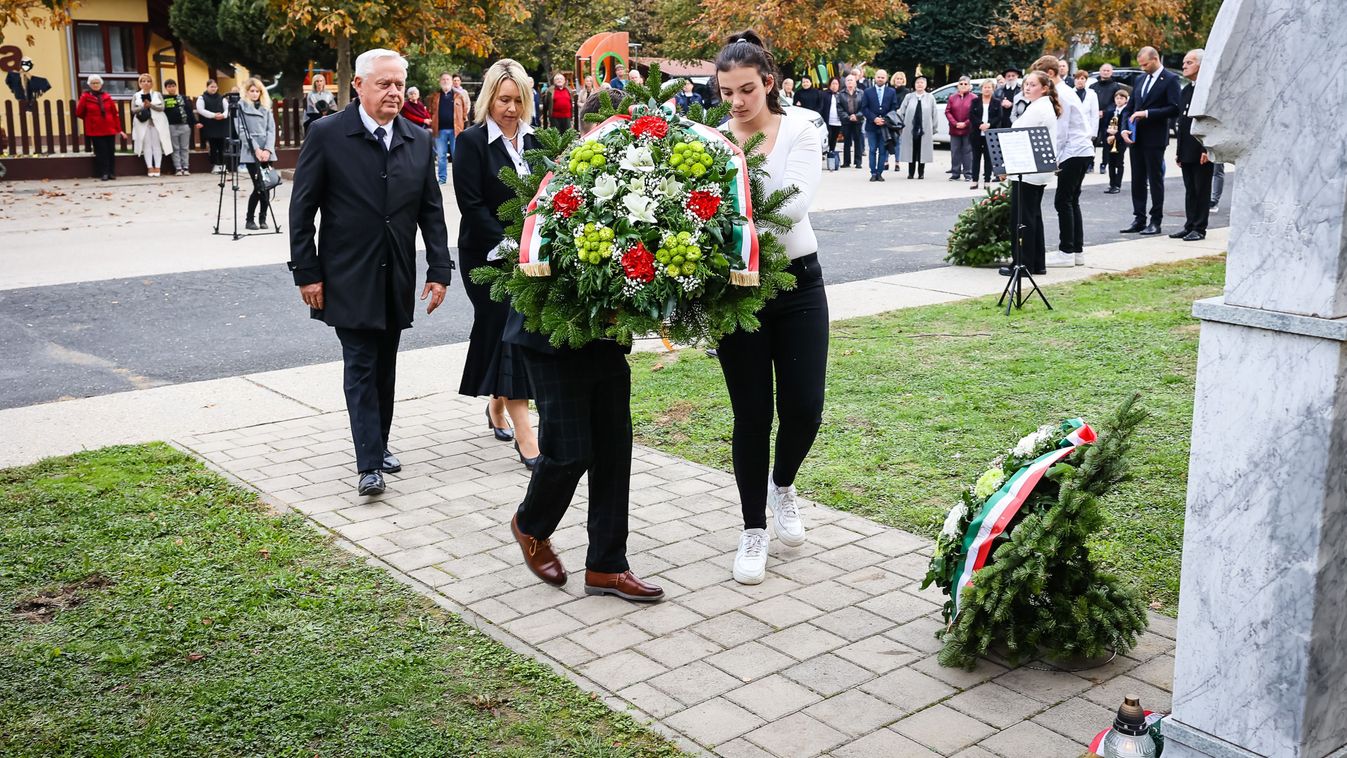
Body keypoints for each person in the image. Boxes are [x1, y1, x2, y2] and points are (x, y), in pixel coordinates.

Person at [502, 88, 664, 604]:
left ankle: (607, 567)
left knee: (614, 451)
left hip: (604, 338)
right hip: (551, 335)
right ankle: (531, 523)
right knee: (569, 451)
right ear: (592, 135)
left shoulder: (642, 186)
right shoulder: (558, 183)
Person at [288, 48, 453, 497]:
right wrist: (307, 273)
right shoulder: (326, 135)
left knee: (385, 365)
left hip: (396, 274)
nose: (394, 91)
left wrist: (439, 269)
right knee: (361, 363)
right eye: (384, 83)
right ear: (358, 86)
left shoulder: (417, 139)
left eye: (399, 83)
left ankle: (378, 445)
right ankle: (368, 466)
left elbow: (431, 214)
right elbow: (301, 211)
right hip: (346, 275)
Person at [714, 31, 826, 586]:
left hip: (800, 285)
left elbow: (795, 201)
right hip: (737, 290)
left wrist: (725, 216)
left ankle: (783, 485)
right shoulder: (711, 141)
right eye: (727, 90)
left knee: (805, 408)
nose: (736, 102)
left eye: (747, 90)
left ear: (769, 84)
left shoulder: (801, 128)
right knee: (752, 415)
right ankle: (752, 527)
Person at [452, 59, 541, 469]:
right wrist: (507, 242)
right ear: (489, 97)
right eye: (504, 99)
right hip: (485, 253)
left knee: (507, 330)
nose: (510, 108)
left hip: (529, 254)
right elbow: (470, 204)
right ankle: (527, 436)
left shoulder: (536, 139)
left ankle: (497, 404)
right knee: (506, 324)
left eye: (518, 100)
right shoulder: (471, 142)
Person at [997, 71, 1059, 278]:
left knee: (1022, 218)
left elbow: (1019, 135)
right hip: (1035, 170)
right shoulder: (1040, 105)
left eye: (1033, 85)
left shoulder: (1039, 107)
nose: (1027, 87)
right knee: (1033, 216)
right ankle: (1036, 263)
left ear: (1044, 88)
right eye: (1026, 84)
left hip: (1029, 170)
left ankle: (1023, 264)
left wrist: (1005, 166)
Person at [1034, 55, 1094, 268]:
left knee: (1063, 201)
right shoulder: (1066, 91)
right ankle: (1076, 251)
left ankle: (1066, 251)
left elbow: (1061, 131)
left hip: (1073, 150)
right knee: (1071, 200)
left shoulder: (1061, 94)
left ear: (1050, 74)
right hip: (1081, 149)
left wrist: (1053, 160)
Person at [1119, 46, 1182, 235]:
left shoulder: (1170, 79)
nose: (1143, 68)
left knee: (1154, 180)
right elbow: (1129, 108)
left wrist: (1147, 114)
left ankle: (1156, 220)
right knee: (1137, 179)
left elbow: (1174, 108)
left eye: (1145, 64)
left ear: (1155, 59)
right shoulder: (1140, 79)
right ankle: (1139, 218)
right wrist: (1123, 128)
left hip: (1155, 137)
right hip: (1136, 137)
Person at [1172, 49, 1213, 242]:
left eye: (1189, 62)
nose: (1184, 66)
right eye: (1184, 63)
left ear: (1200, 65)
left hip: (1202, 149)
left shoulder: (1207, 89)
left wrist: (1208, 148)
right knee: (1190, 189)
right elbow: (1182, 123)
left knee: (1201, 189)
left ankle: (1199, 227)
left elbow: (1210, 121)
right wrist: (1179, 151)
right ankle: (1189, 225)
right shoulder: (1186, 90)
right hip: (1187, 148)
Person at [235, 77, 277, 231]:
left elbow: (271, 130)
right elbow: (240, 130)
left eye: (257, 91)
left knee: (267, 185)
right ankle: (249, 219)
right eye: (251, 91)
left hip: (266, 152)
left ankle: (263, 218)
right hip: (250, 151)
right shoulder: (241, 107)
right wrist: (256, 149)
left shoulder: (266, 107)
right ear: (246, 92)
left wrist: (267, 150)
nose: (254, 94)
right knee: (258, 185)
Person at [76, 75, 122, 181]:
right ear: (89, 85)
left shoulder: (107, 96)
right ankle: (104, 173)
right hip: (95, 130)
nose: (95, 85)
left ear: (101, 84)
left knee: (111, 151)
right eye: (93, 83)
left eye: (97, 83)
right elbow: (79, 112)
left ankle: (111, 172)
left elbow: (114, 113)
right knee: (101, 152)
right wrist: (91, 120)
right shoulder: (85, 97)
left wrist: (118, 128)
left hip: (109, 128)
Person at [428, 72, 468, 184]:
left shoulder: (458, 96)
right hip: (440, 130)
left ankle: (459, 179)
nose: (445, 81)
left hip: (456, 131)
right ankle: (442, 179)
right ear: (440, 82)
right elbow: (431, 111)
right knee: (441, 156)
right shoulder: (435, 96)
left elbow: (465, 111)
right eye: (443, 79)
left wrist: (463, 121)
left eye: (448, 80)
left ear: (451, 82)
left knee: (457, 156)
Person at [861, 68, 898, 181]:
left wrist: (885, 120)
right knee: (872, 150)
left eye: (883, 77)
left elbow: (893, 107)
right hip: (872, 126)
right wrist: (874, 118)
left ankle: (880, 173)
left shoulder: (891, 92)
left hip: (885, 127)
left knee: (883, 150)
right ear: (875, 78)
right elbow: (864, 108)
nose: (880, 79)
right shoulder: (868, 91)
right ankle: (873, 173)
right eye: (878, 77)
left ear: (886, 79)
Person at [130, 73, 170, 178]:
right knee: (147, 146)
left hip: (156, 123)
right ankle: (149, 167)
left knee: (156, 145)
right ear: (140, 83)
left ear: (152, 83)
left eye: (148, 81)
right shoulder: (136, 95)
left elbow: (162, 108)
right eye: (143, 81)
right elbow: (133, 110)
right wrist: (143, 106)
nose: (146, 83)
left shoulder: (157, 94)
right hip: (143, 123)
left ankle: (157, 167)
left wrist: (151, 105)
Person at [898, 76, 935, 179]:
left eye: (922, 82)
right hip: (910, 128)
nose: (919, 84)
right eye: (918, 82)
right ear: (914, 85)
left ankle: (921, 172)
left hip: (925, 128)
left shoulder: (930, 97)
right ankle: (911, 172)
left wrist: (934, 128)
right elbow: (902, 111)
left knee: (922, 150)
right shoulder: (909, 97)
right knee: (911, 150)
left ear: (925, 85)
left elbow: (934, 113)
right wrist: (899, 125)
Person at [1091, 64, 1124, 172]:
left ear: (1111, 72)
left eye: (1108, 70)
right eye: (1104, 70)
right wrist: (1095, 112)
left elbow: (1116, 102)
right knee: (1092, 140)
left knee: (1106, 142)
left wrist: (1104, 112)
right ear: (1100, 71)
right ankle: (1090, 163)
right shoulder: (1093, 87)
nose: (1105, 72)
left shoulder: (1115, 86)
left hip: (1108, 117)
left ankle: (1104, 163)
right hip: (1094, 117)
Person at [162, 79, 196, 176]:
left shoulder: (183, 98)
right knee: (175, 147)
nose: (171, 88)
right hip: (171, 126)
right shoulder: (164, 98)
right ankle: (178, 168)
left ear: (176, 87)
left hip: (184, 125)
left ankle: (186, 167)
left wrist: (194, 122)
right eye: (169, 86)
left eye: (173, 86)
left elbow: (189, 110)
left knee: (184, 147)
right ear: (166, 88)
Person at [946, 76, 976, 182]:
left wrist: (965, 123)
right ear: (958, 86)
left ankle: (968, 173)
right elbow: (948, 111)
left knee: (967, 151)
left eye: (965, 84)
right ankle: (955, 173)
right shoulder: (952, 97)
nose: (963, 86)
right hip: (954, 129)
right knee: (955, 151)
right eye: (961, 84)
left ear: (969, 86)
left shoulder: (974, 98)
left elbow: (975, 113)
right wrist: (955, 123)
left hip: (968, 129)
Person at [196, 79, 230, 174]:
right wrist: (214, 115)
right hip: (210, 126)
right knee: (213, 146)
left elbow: (228, 109)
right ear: (207, 87)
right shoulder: (202, 98)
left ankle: (223, 166)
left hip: (221, 125)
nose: (213, 89)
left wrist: (223, 115)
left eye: (215, 87)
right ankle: (215, 165)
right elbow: (200, 110)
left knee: (222, 146)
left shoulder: (222, 98)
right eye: (211, 87)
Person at [968, 79, 997, 189]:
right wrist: (980, 124)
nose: (987, 89)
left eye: (989, 87)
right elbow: (971, 115)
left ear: (993, 89)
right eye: (985, 87)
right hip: (976, 133)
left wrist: (989, 125)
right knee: (976, 158)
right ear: (981, 89)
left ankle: (987, 181)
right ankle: (974, 180)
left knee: (988, 158)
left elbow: (998, 116)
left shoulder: (996, 102)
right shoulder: (975, 101)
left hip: (990, 134)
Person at [1102, 89, 1130, 194]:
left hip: (1120, 141)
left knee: (1119, 163)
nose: (1119, 100)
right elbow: (1104, 125)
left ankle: (1117, 185)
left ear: (1126, 100)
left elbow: (1125, 127)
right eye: (1117, 98)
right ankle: (1111, 184)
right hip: (1110, 140)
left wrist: (1115, 136)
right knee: (1111, 163)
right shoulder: (1111, 111)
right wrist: (1107, 132)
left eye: (1121, 98)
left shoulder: (1126, 112)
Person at [1073, 69, 1099, 172]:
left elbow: (1094, 114)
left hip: (1087, 127)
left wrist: (1093, 132)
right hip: (1074, 128)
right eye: (1077, 78)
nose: (1080, 81)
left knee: (1087, 151)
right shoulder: (1069, 93)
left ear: (1086, 80)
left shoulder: (1092, 94)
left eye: (1082, 78)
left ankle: (1088, 166)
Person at [838, 74, 864, 169]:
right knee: (847, 142)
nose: (850, 82)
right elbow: (839, 108)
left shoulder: (861, 93)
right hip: (846, 121)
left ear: (855, 82)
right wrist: (848, 117)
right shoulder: (841, 94)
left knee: (858, 141)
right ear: (845, 82)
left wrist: (856, 116)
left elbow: (864, 107)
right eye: (848, 80)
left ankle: (858, 162)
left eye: (852, 80)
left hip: (858, 120)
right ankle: (846, 162)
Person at [821, 77, 843, 157]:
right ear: (830, 85)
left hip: (838, 121)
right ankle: (825, 152)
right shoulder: (824, 94)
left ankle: (831, 153)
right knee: (828, 137)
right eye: (833, 83)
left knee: (834, 138)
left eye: (836, 84)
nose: (834, 86)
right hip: (828, 120)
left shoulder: (841, 95)